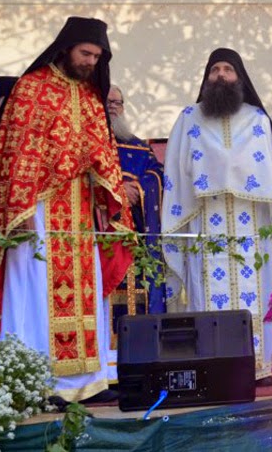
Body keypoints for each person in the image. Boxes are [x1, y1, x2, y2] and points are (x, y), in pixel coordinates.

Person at [0, 17, 133, 401]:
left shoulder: (91, 96)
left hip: (81, 210)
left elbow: (104, 154)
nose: (91, 61)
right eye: (86, 53)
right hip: (37, 211)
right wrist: (22, 205)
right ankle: (36, 382)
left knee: (85, 293)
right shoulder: (31, 88)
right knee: (36, 292)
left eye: (97, 57)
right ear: (67, 47)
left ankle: (86, 383)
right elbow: (16, 156)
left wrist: (106, 193)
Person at [161, 48, 272, 382]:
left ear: (239, 77)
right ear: (206, 77)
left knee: (259, 290)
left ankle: (259, 365)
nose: (221, 75)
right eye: (215, 69)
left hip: (252, 226)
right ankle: (212, 366)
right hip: (205, 224)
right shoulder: (188, 119)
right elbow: (176, 174)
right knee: (204, 291)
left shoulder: (258, 120)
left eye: (228, 69)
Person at [106, 84, 167, 382]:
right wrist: (117, 190)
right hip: (104, 235)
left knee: (140, 293)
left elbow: (157, 174)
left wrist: (139, 188)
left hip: (138, 238)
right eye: (107, 102)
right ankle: (106, 362)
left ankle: (142, 361)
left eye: (117, 102)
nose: (113, 107)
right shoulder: (91, 144)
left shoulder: (139, 146)